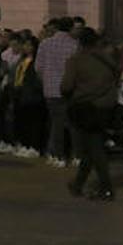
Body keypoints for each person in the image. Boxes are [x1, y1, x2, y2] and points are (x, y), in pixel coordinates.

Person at [61, 28, 121, 200]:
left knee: (94, 147)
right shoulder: (108, 59)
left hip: (86, 108)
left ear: (80, 43)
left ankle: (106, 188)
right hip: (107, 106)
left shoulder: (76, 60)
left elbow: (66, 86)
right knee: (91, 146)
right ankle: (78, 183)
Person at [35, 16, 79, 166]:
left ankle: (57, 155)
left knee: (56, 123)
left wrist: (46, 80)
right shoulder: (74, 45)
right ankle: (75, 155)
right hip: (70, 88)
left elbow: (38, 68)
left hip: (51, 89)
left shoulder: (45, 44)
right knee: (73, 123)